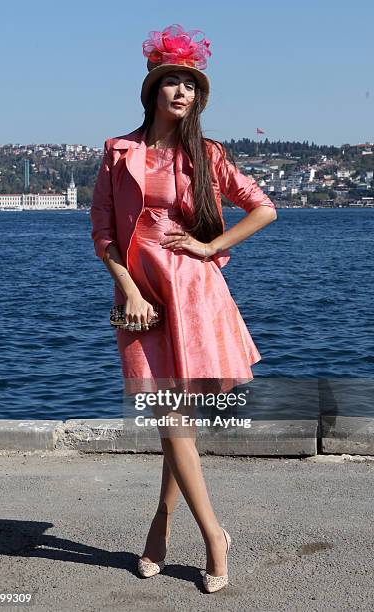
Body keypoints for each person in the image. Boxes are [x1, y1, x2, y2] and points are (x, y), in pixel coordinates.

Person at [90, 24, 277, 593]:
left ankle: (178, 528)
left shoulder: (208, 154)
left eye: (189, 85)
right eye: (170, 82)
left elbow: (262, 208)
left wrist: (211, 246)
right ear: (151, 90)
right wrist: (129, 288)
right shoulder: (118, 152)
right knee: (172, 420)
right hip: (141, 298)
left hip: (195, 294)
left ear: (198, 96)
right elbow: (102, 231)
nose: (180, 93)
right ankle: (192, 529)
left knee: (176, 422)